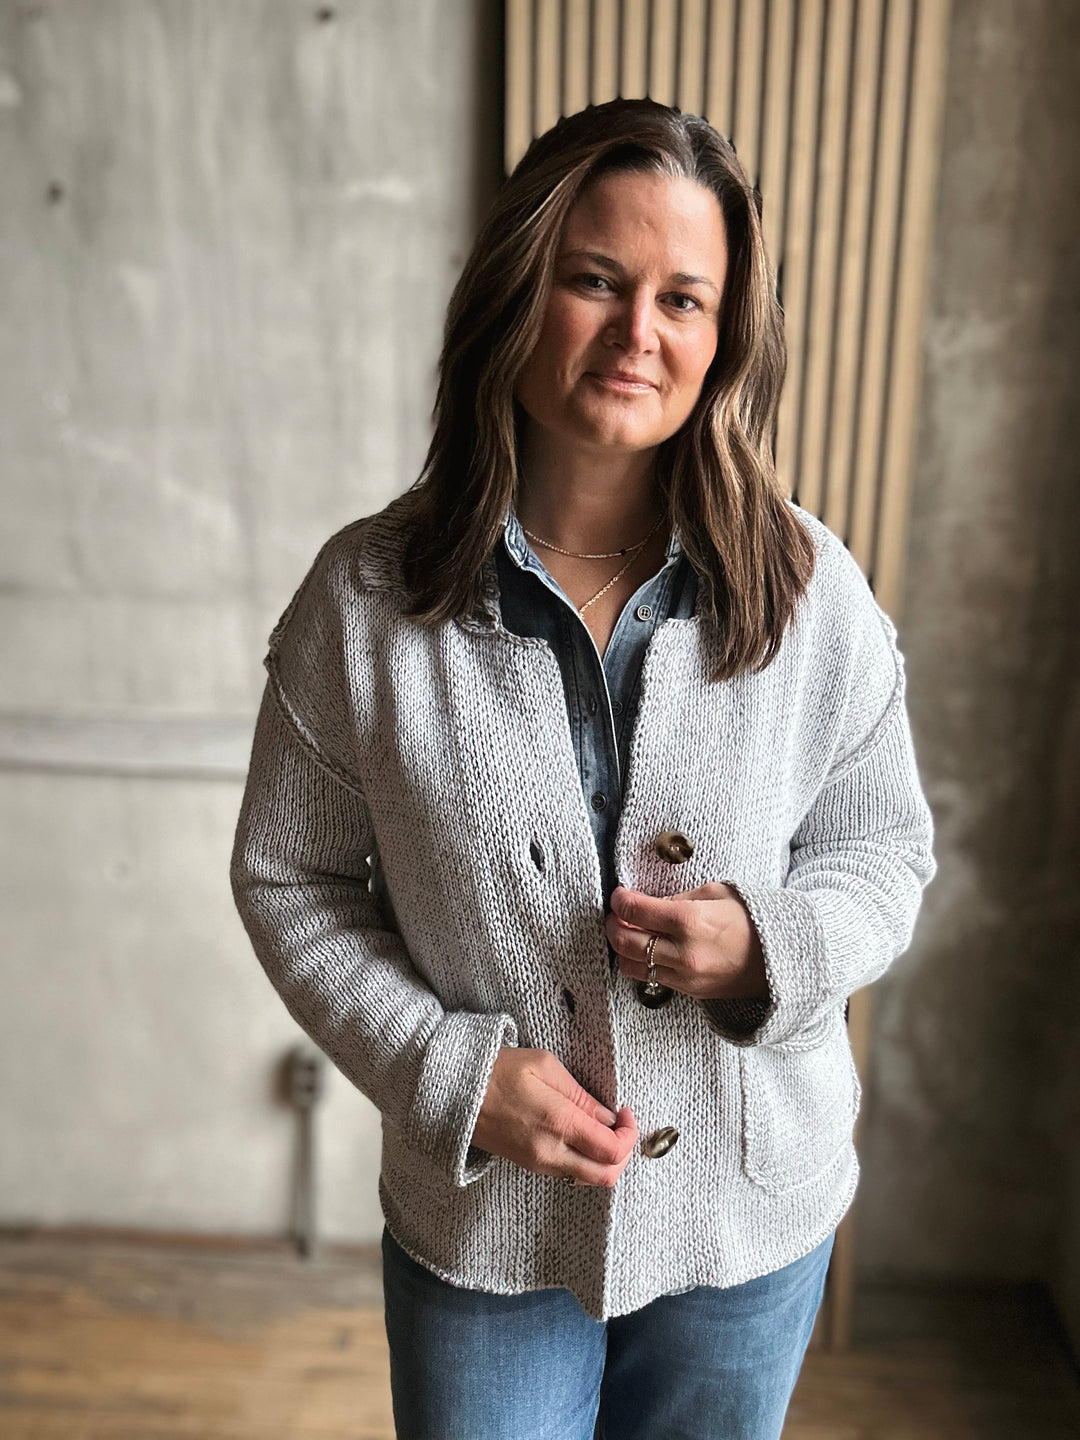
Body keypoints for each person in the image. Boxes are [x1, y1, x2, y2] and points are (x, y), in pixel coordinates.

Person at [231, 98, 935, 1440]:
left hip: (749, 1213)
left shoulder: (808, 589)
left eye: (685, 298)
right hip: (488, 1228)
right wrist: (448, 1072)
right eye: (597, 281)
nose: (638, 335)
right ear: (519, 288)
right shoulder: (368, 600)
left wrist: (771, 947)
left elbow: (885, 847)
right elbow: (289, 877)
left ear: (724, 336)